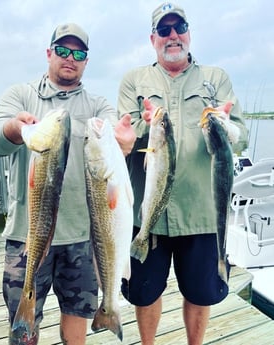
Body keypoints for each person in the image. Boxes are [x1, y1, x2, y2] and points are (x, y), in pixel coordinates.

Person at [0, 23, 135, 345]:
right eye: (64, 50)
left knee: (78, 314)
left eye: (79, 53)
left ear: (86, 60)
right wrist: (15, 128)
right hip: (27, 234)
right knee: (23, 323)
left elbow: (115, 130)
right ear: (49, 52)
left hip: (83, 236)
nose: (71, 57)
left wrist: (123, 139)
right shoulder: (20, 94)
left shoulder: (96, 105)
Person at [118, 3, 248, 345]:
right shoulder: (134, 80)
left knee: (202, 292)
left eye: (179, 28)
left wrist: (223, 125)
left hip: (202, 212)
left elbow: (241, 134)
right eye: (164, 30)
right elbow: (124, 133)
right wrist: (139, 126)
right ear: (153, 38)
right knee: (144, 293)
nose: (172, 36)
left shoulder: (215, 78)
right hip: (146, 215)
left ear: (188, 33)